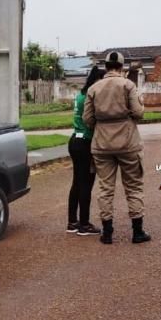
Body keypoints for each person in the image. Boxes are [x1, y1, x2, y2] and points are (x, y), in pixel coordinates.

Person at [83, 51, 150, 245]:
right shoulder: (128, 85)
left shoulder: (94, 88)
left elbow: (87, 119)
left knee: (105, 188)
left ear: (105, 67)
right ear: (121, 67)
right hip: (128, 142)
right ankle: (137, 231)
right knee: (133, 186)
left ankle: (107, 232)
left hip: (102, 144)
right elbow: (138, 114)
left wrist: (102, 124)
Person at [66, 67, 106, 236]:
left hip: (75, 140)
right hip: (86, 143)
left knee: (77, 182)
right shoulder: (91, 96)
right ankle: (84, 224)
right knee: (86, 184)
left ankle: (72, 222)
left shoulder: (81, 95)